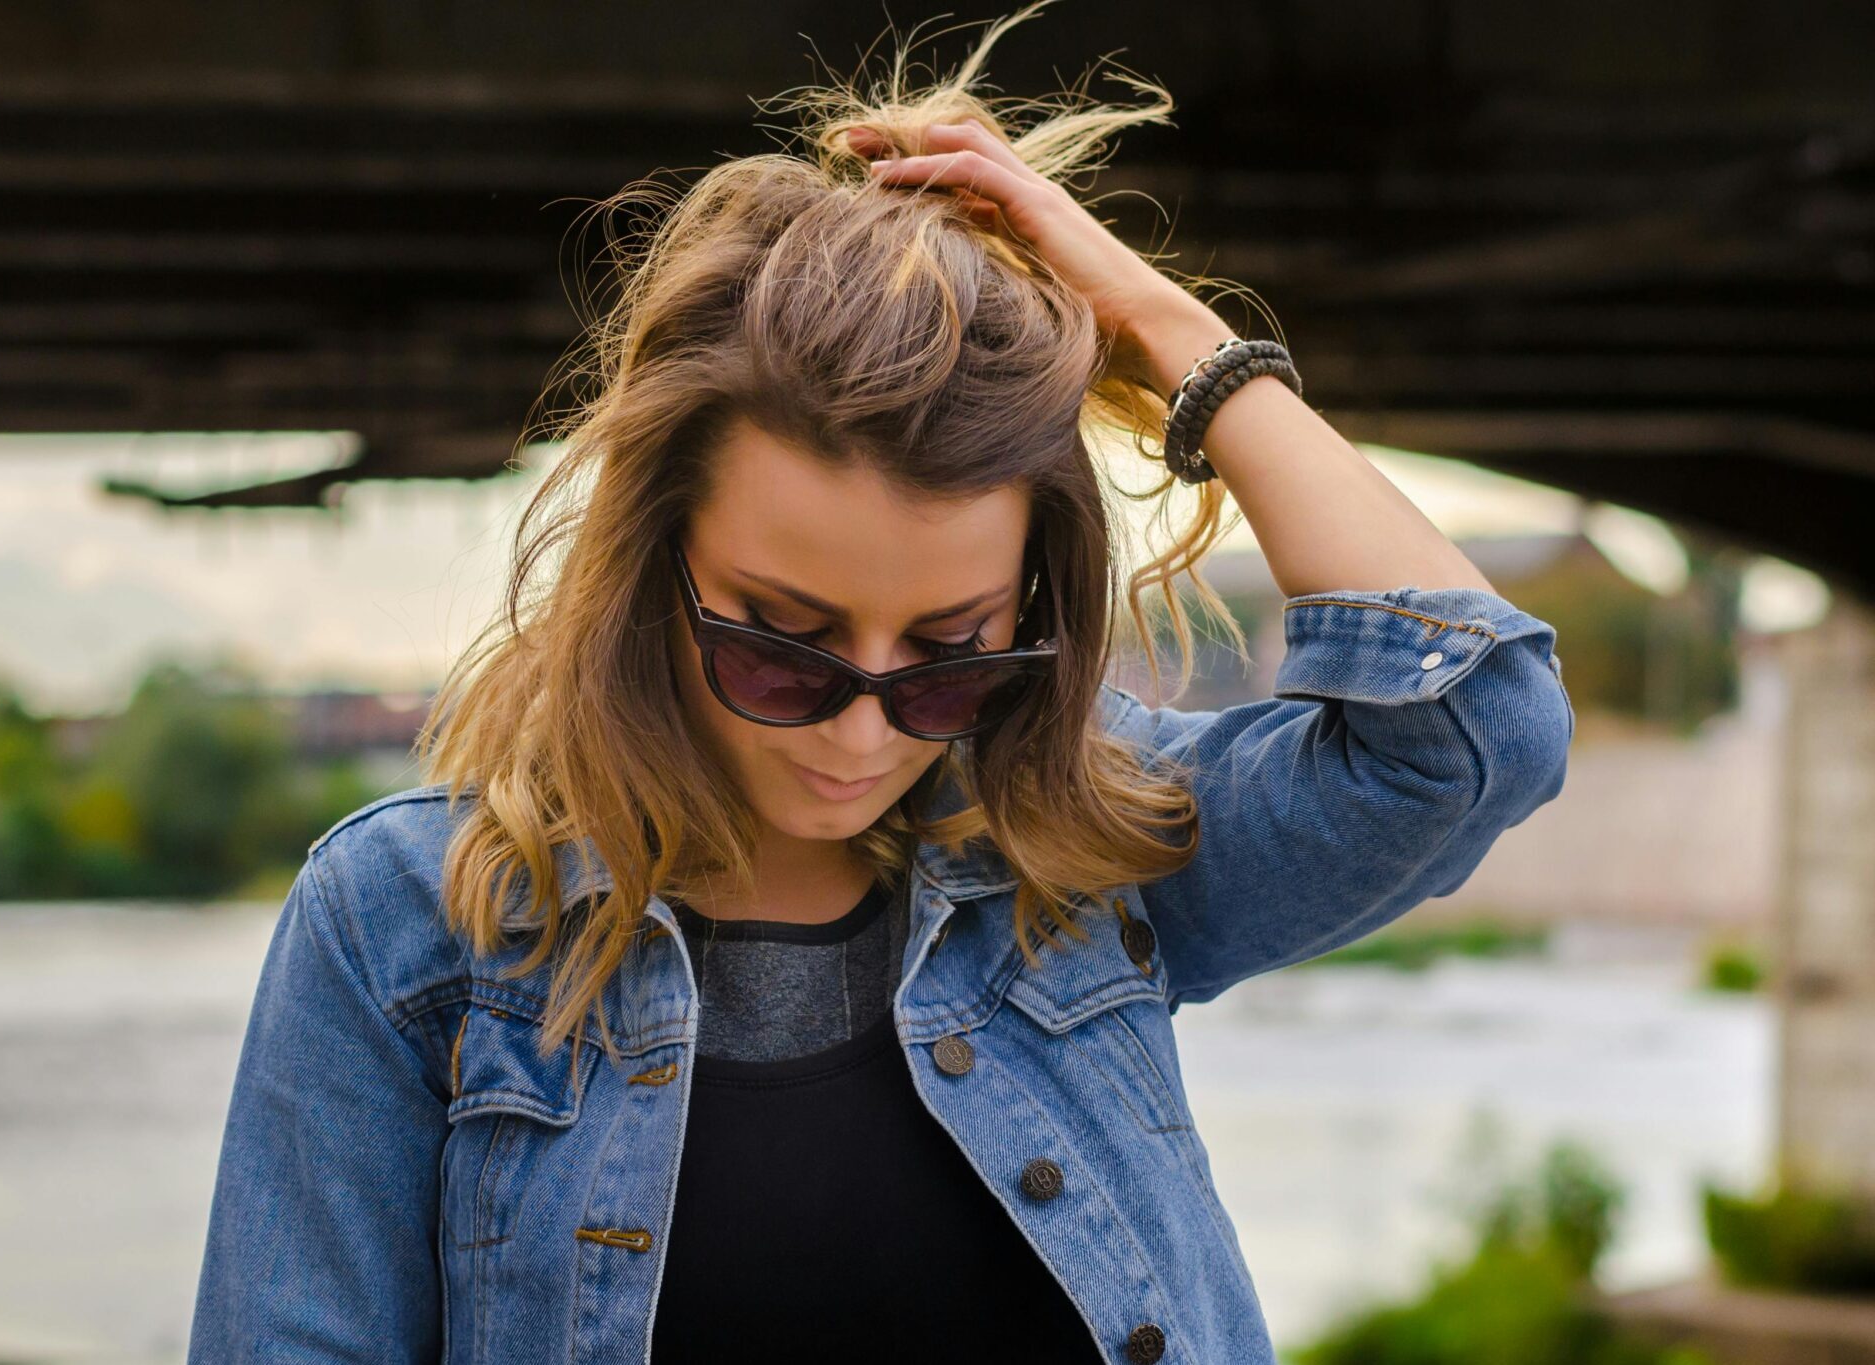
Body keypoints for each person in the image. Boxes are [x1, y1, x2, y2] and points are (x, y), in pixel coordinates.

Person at [186, 6, 1574, 1362]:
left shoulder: (1082, 852)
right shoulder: (412, 934)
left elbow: (1472, 728)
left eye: (952, 655)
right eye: (778, 646)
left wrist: (1156, 322)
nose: (861, 729)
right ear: (651, 559)